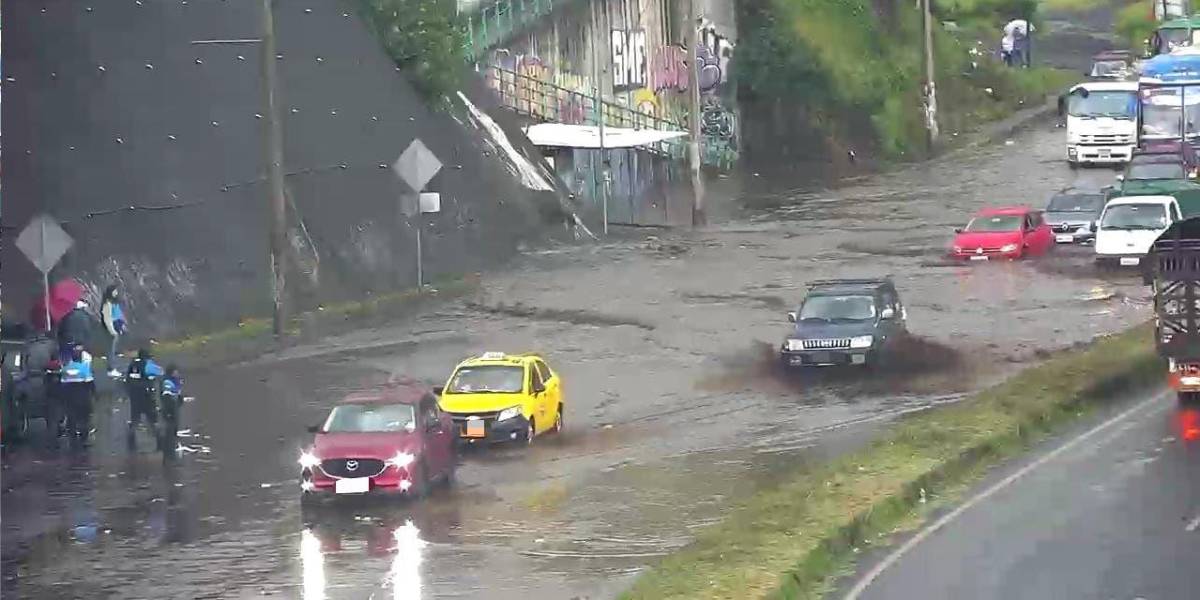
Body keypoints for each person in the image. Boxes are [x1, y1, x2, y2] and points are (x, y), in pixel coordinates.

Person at [125, 348, 163, 449]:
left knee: (135, 420)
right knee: (153, 420)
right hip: (147, 396)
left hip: (135, 397)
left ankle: (130, 443)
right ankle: (160, 443)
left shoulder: (132, 365)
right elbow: (160, 372)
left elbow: (127, 380)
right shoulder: (148, 365)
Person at [60, 343, 96, 447]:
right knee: (84, 418)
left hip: (70, 397)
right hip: (83, 396)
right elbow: (90, 383)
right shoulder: (84, 368)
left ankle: (72, 438)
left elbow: (63, 384)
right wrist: (94, 395)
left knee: (72, 417)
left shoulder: (66, 369)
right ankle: (84, 439)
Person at [101, 285, 127, 378]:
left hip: (117, 327)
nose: (116, 293)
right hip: (111, 330)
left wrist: (122, 325)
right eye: (114, 291)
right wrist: (112, 331)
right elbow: (107, 318)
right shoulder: (107, 304)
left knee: (115, 350)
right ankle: (111, 369)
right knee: (110, 350)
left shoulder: (115, 303)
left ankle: (114, 367)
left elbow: (119, 315)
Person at [159, 364, 183, 454]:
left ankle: (172, 444)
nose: (177, 373)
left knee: (174, 425)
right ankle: (168, 447)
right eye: (176, 371)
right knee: (170, 426)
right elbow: (166, 396)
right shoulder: (167, 382)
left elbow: (178, 393)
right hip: (169, 408)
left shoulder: (177, 381)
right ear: (172, 372)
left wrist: (180, 399)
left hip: (175, 406)